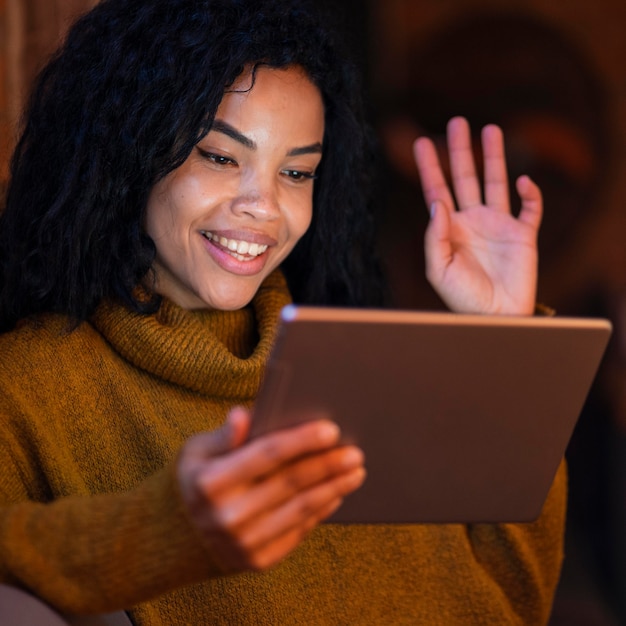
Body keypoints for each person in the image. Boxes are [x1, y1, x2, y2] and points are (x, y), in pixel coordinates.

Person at [0, 0, 565, 624]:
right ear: (127, 151)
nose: (265, 208)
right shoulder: (30, 388)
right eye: (219, 157)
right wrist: (164, 531)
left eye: (297, 172)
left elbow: (513, 602)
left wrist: (508, 350)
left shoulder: (366, 366)